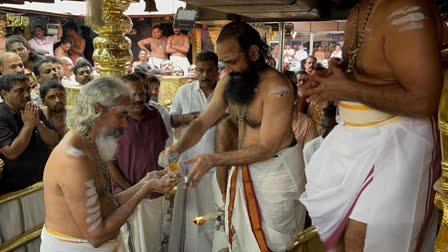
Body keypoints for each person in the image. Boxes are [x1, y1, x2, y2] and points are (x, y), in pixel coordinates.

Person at [298, 1, 443, 251]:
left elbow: (424, 99)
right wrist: (332, 80)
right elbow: (370, 72)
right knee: (340, 235)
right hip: (352, 138)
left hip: (398, 139)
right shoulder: (358, 10)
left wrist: (347, 88)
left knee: (362, 239)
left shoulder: (406, 6)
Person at [159, 22, 306, 251]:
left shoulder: (278, 88)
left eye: (232, 61)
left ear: (253, 53)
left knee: (274, 245)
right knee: (238, 240)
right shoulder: (230, 82)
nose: (227, 69)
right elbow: (201, 123)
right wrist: (175, 150)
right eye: (224, 63)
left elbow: (267, 148)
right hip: (244, 168)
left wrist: (215, 159)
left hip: (276, 174)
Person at [40, 77, 174, 251]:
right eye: (121, 115)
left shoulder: (91, 145)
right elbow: (97, 236)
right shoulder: (73, 159)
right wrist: (143, 191)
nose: (125, 124)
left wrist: (145, 182)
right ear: (97, 109)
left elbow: (106, 202)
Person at [167, 51, 227, 252]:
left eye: (210, 70)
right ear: (195, 70)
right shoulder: (185, 91)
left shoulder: (226, 94)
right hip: (190, 166)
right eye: (200, 70)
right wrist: (186, 119)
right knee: (193, 215)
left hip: (219, 167)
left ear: (217, 71)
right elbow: (172, 119)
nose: (205, 75)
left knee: (215, 213)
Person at [108, 74, 169, 252]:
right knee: (131, 243)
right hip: (126, 193)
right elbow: (108, 163)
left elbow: (161, 146)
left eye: (142, 93)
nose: (139, 98)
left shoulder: (154, 114)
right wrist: (132, 190)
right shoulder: (114, 121)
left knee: (151, 242)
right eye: (133, 94)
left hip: (154, 192)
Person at [0, 73, 58, 194]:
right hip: (15, 189)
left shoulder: (34, 110)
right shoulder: (1, 117)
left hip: (42, 180)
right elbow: (11, 153)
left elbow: (53, 141)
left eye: (28, 90)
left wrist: (39, 124)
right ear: (5, 94)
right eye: (20, 91)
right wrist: (28, 125)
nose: (27, 95)